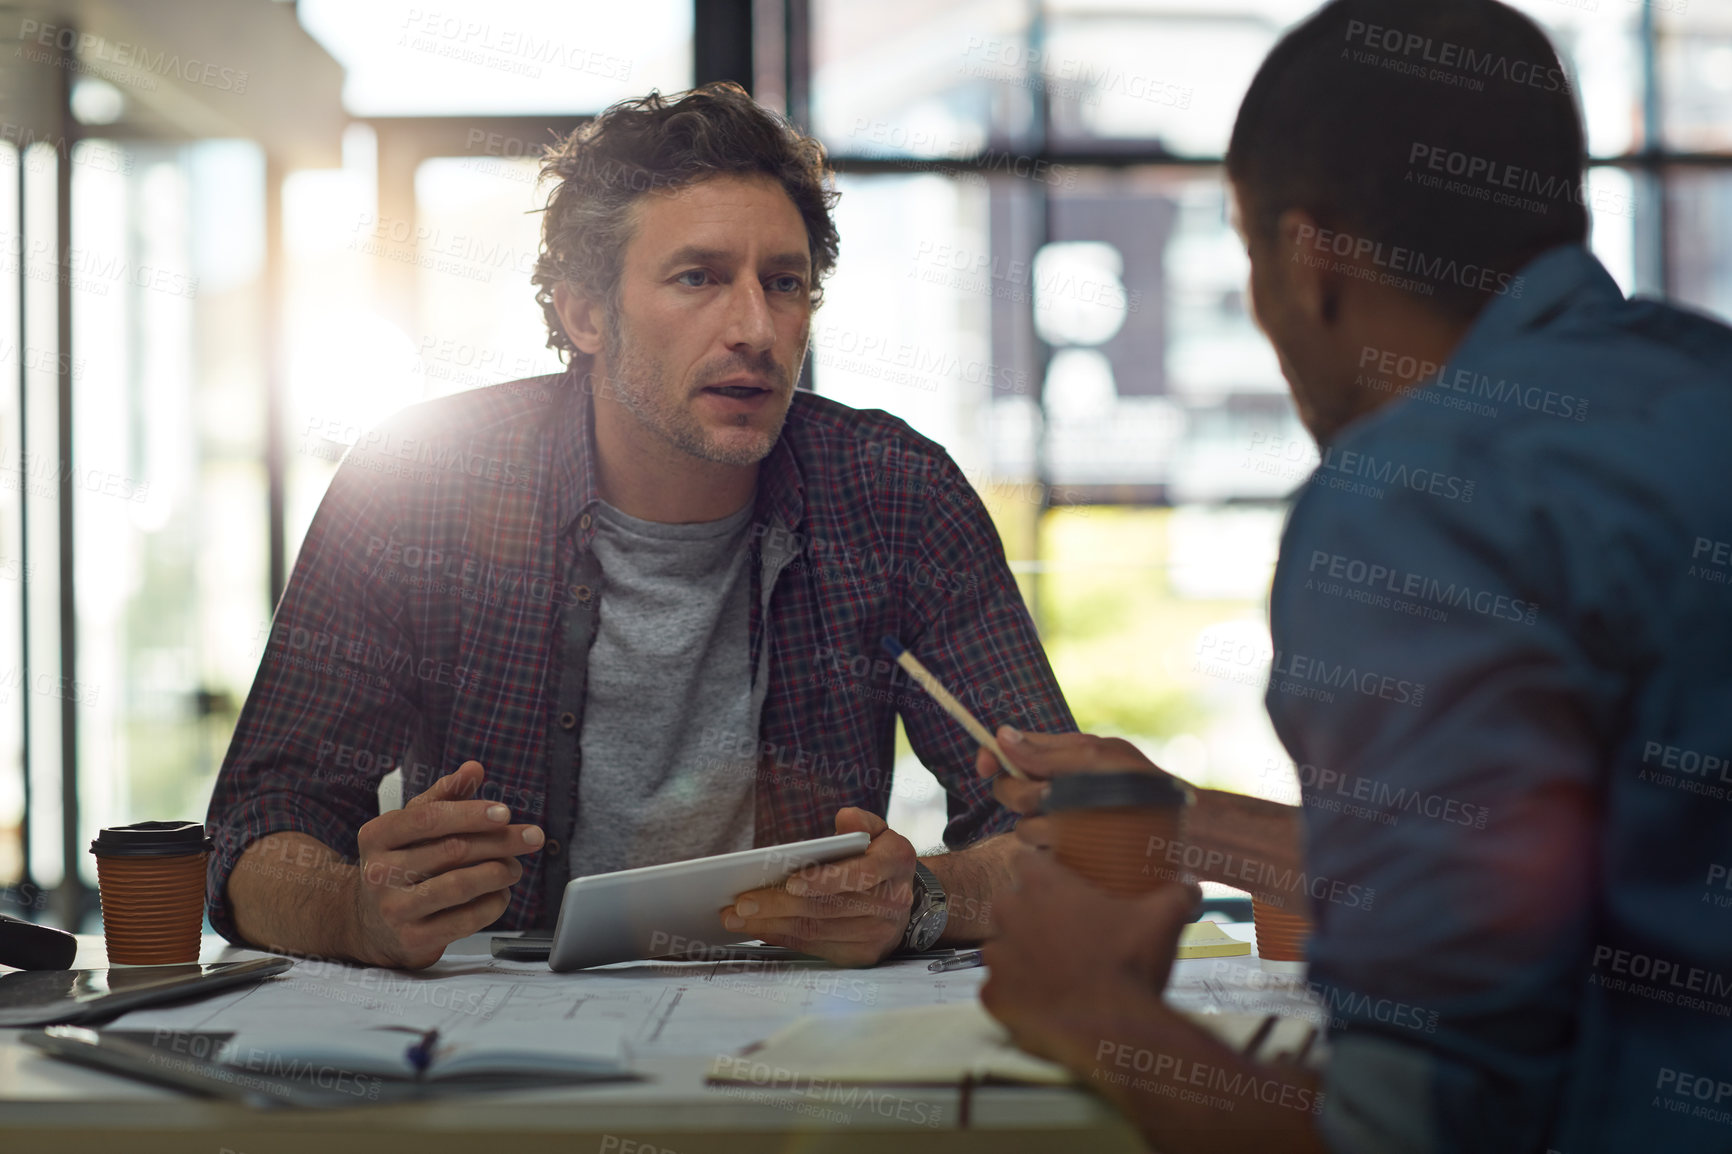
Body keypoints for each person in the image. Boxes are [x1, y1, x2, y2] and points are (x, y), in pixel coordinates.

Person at [976, 1, 1732, 1151]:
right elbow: (1587, 875)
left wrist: (1090, 1006)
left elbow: (1404, 1138)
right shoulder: (1696, 388)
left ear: (1309, 259)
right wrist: (1183, 822)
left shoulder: (1416, 496)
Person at [207, 83, 1073, 970]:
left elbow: (1058, 832)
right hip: (492, 1032)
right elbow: (257, 828)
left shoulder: (896, 493)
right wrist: (354, 912)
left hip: (798, 1035)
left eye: (784, 284)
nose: (756, 328)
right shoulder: (418, 482)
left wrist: (924, 899)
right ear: (584, 312)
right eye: (698, 278)